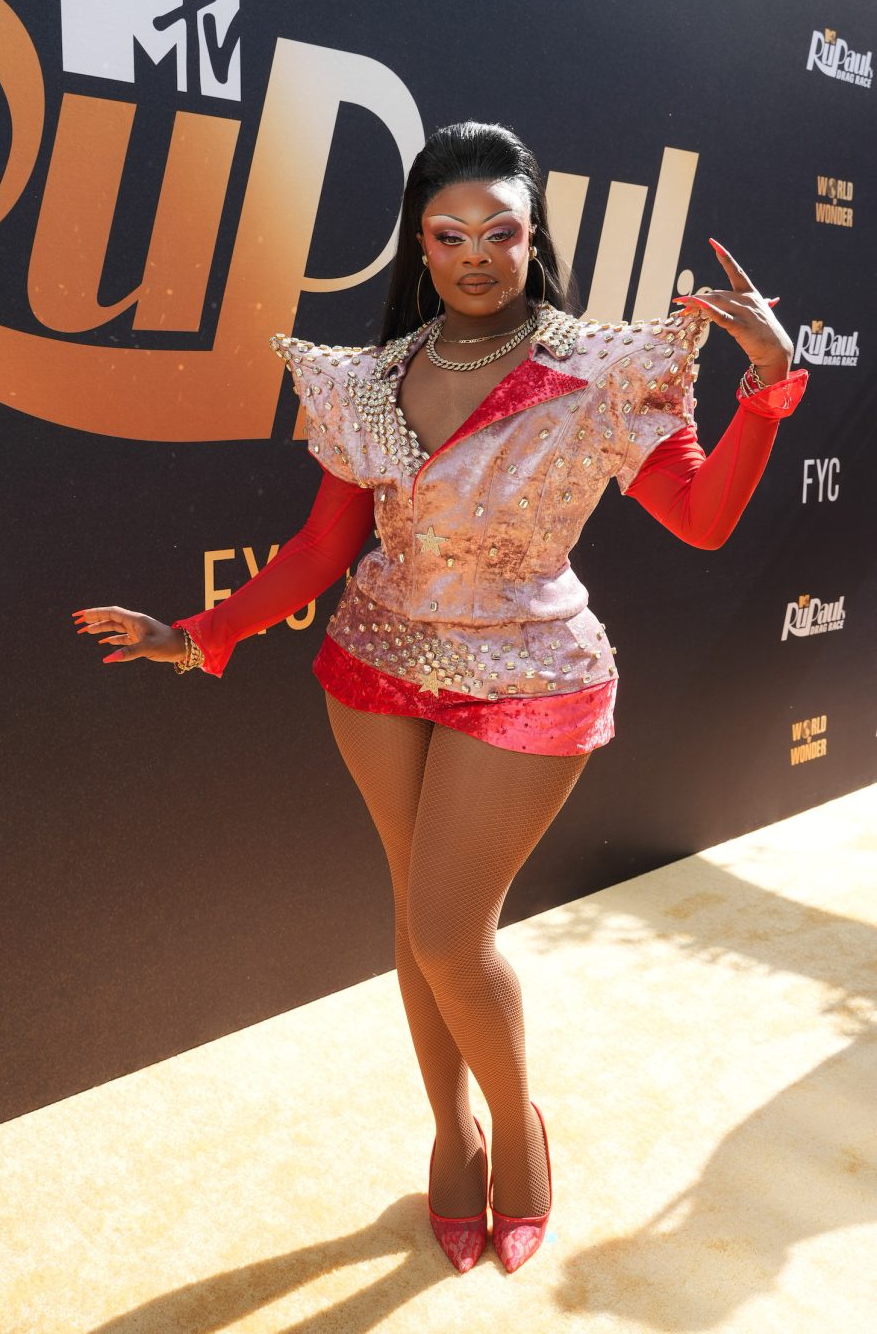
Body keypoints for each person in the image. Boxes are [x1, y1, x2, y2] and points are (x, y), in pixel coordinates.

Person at [72, 122, 807, 1275]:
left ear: (534, 240)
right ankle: (450, 1136)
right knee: (421, 924)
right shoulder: (361, 379)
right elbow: (322, 552)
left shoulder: (603, 369)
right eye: (448, 235)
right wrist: (204, 630)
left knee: (443, 931)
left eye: (500, 232)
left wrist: (768, 387)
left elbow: (704, 520)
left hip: (530, 679)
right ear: (418, 247)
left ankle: (517, 1134)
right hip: (372, 667)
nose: (475, 255)